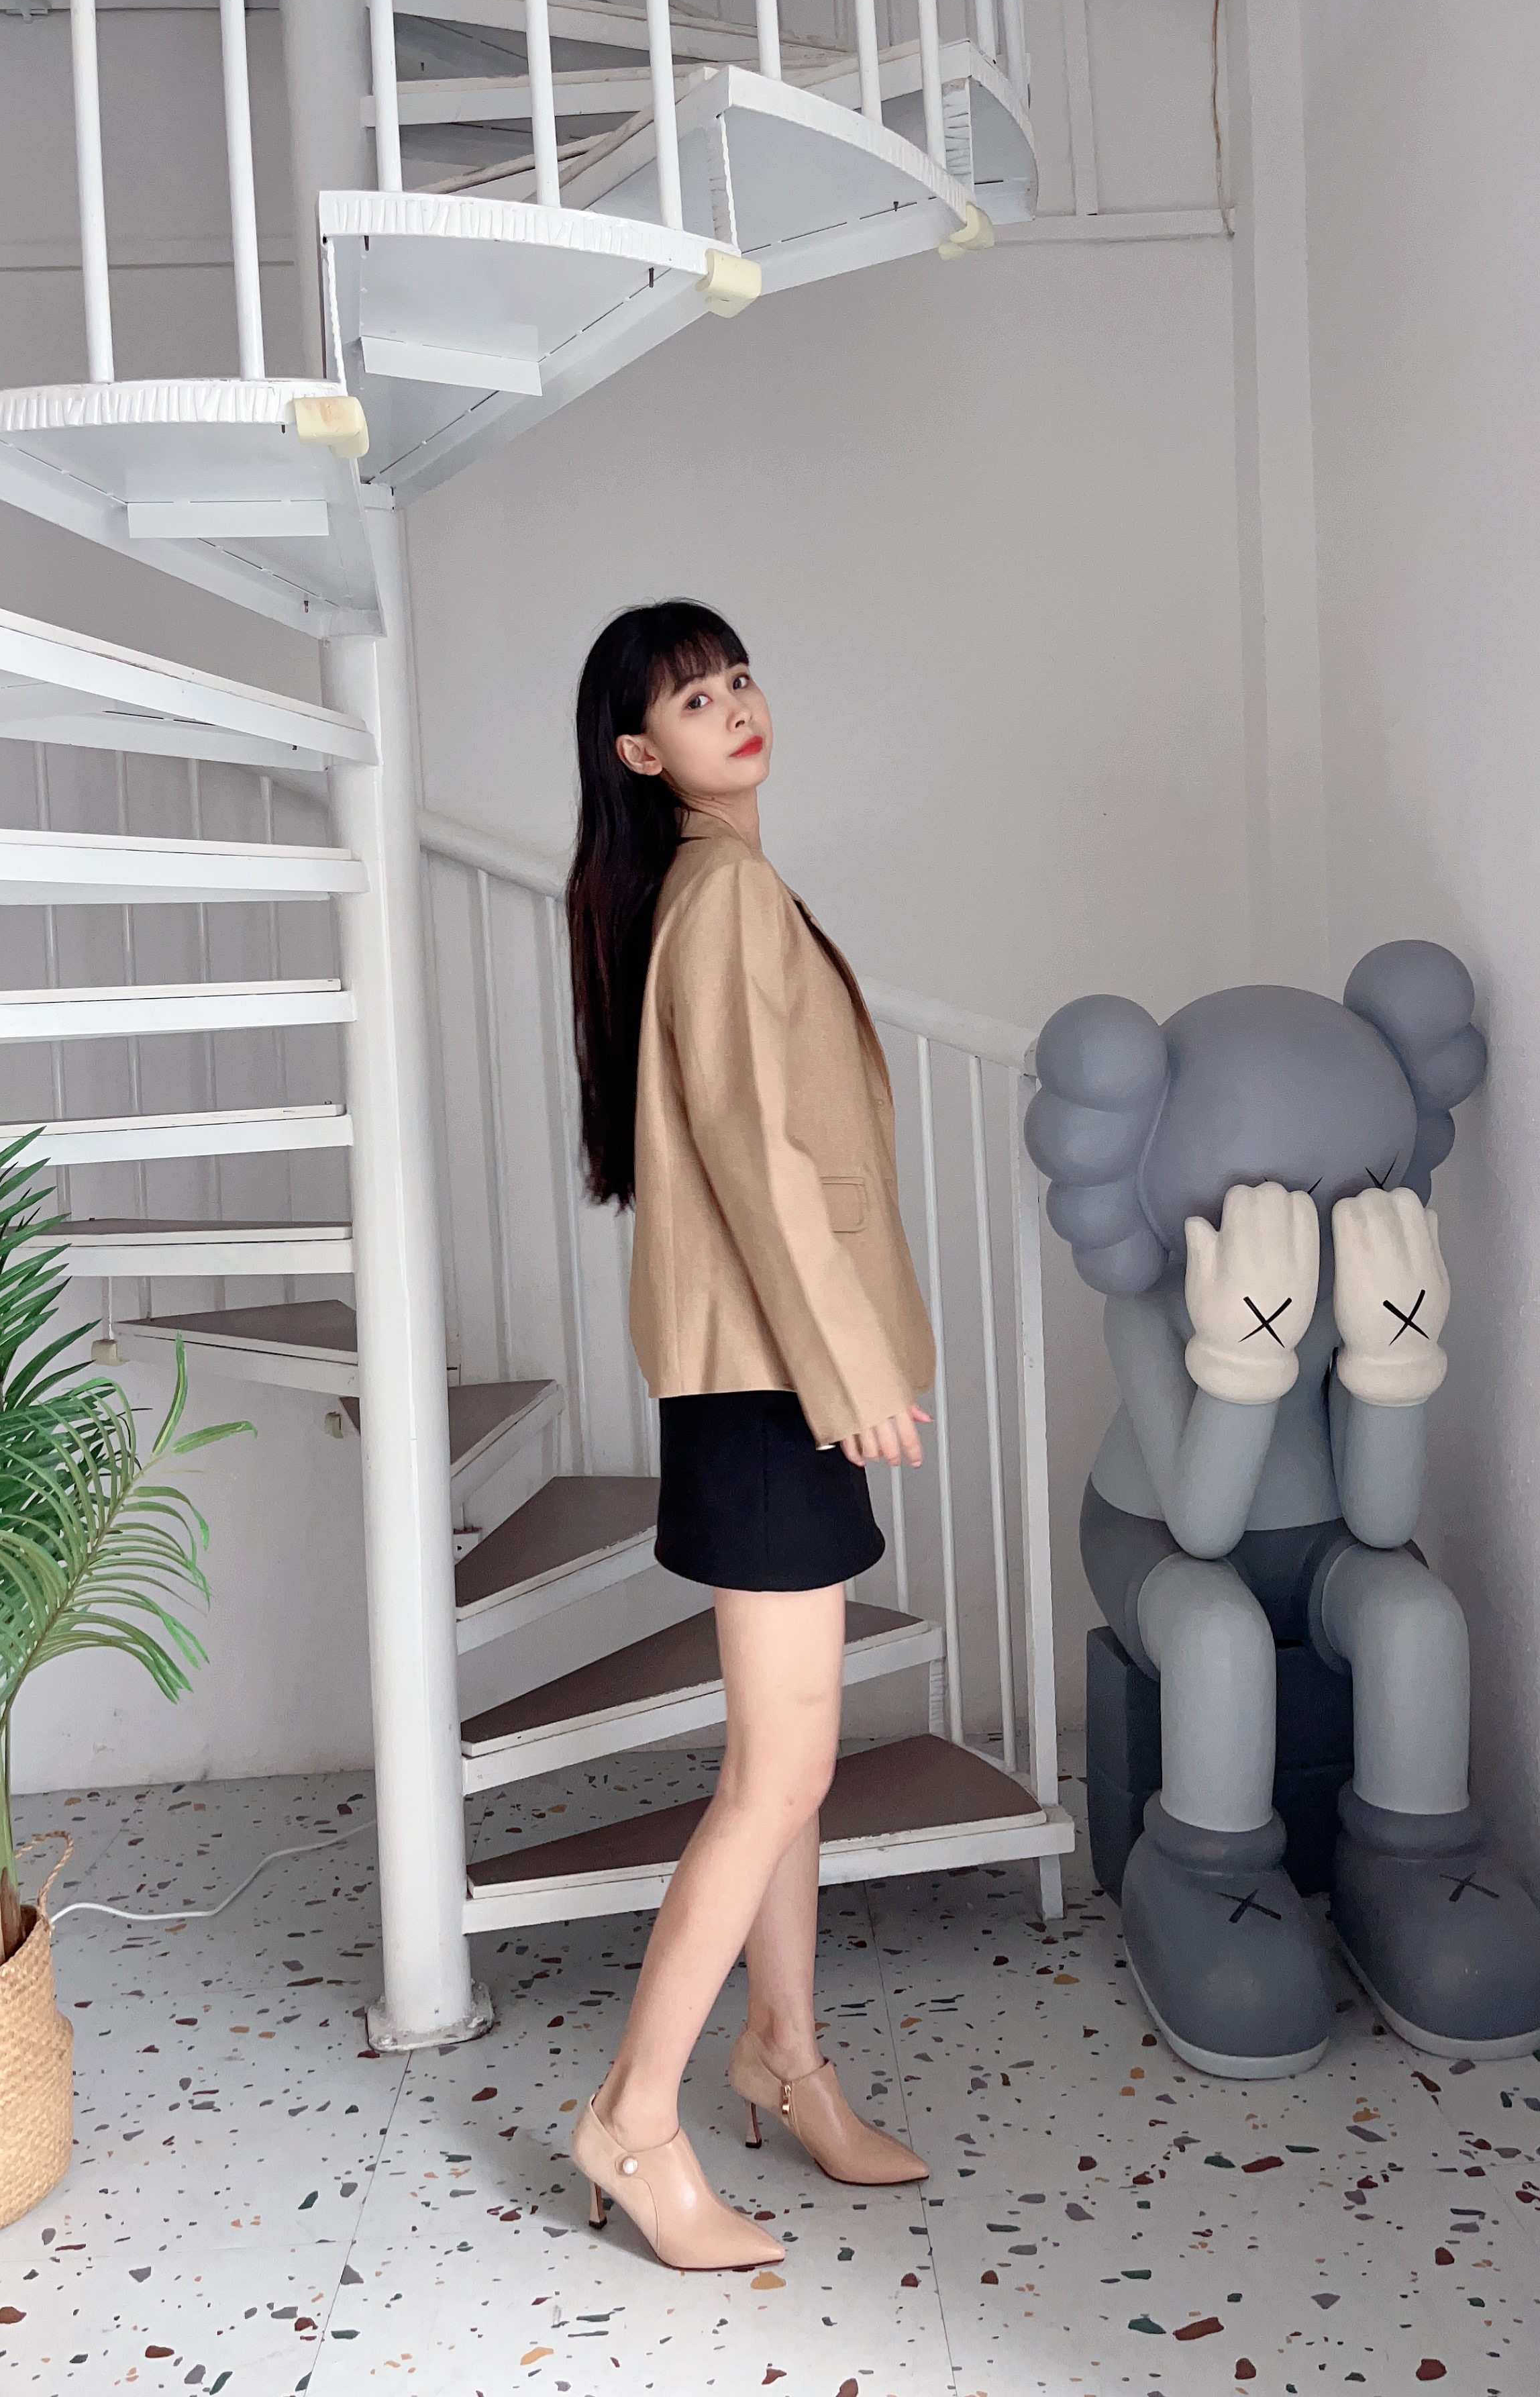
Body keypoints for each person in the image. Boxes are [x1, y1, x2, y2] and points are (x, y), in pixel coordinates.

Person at [562, 600, 936, 2272]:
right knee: (782, 1770)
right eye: (692, 700)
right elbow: (756, 1158)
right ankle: (635, 2122)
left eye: (735, 680)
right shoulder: (717, 898)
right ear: (641, 754)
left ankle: (786, 2060)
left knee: (785, 1768)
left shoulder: (717, 886)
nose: (732, 708)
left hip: (771, 1378)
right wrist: (847, 1368)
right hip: (775, 1381)